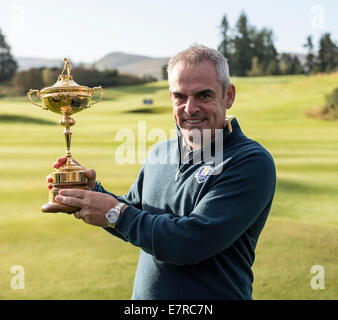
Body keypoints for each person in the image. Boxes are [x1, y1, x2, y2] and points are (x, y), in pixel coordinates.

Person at [49, 45, 276, 300]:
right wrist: (92, 192)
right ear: (171, 98)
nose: (190, 108)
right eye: (180, 96)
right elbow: (134, 213)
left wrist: (114, 213)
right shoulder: (161, 152)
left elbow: (189, 242)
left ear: (228, 95)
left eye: (204, 95)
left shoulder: (250, 161)